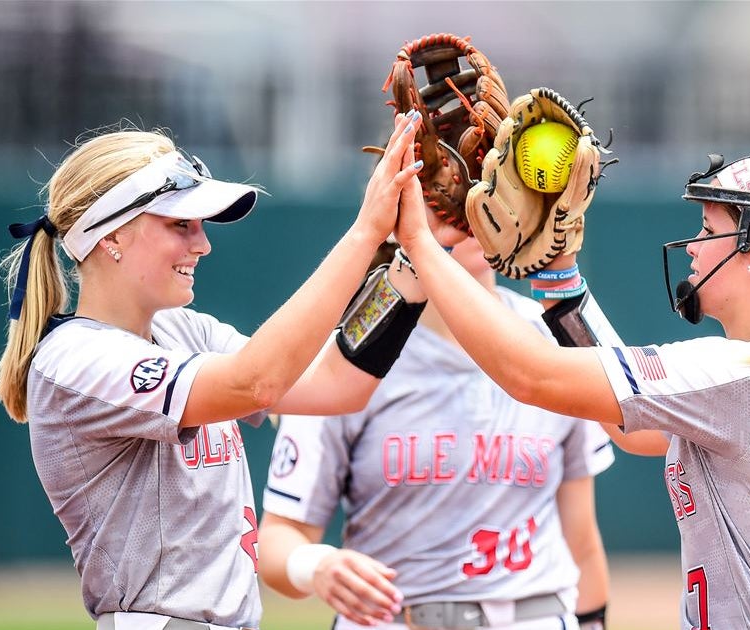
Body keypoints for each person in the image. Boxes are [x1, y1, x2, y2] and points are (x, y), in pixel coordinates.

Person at [394, 151, 750, 629]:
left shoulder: (747, 375)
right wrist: (558, 276)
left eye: (709, 230)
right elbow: (637, 433)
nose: (694, 246)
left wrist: (422, 244)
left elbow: (531, 374)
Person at [0, 112, 425, 630]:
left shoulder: (183, 331)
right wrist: (363, 234)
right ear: (110, 236)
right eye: (181, 224)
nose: (202, 244)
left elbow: (336, 384)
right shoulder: (73, 361)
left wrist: (416, 261)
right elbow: (257, 380)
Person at [257, 234, 616, 630]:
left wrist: (593, 622)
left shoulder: (552, 343)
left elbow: (581, 542)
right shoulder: (347, 362)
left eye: (491, 189)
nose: (479, 213)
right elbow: (278, 538)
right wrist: (316, 565)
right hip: (394, 620)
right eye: (451, 198)